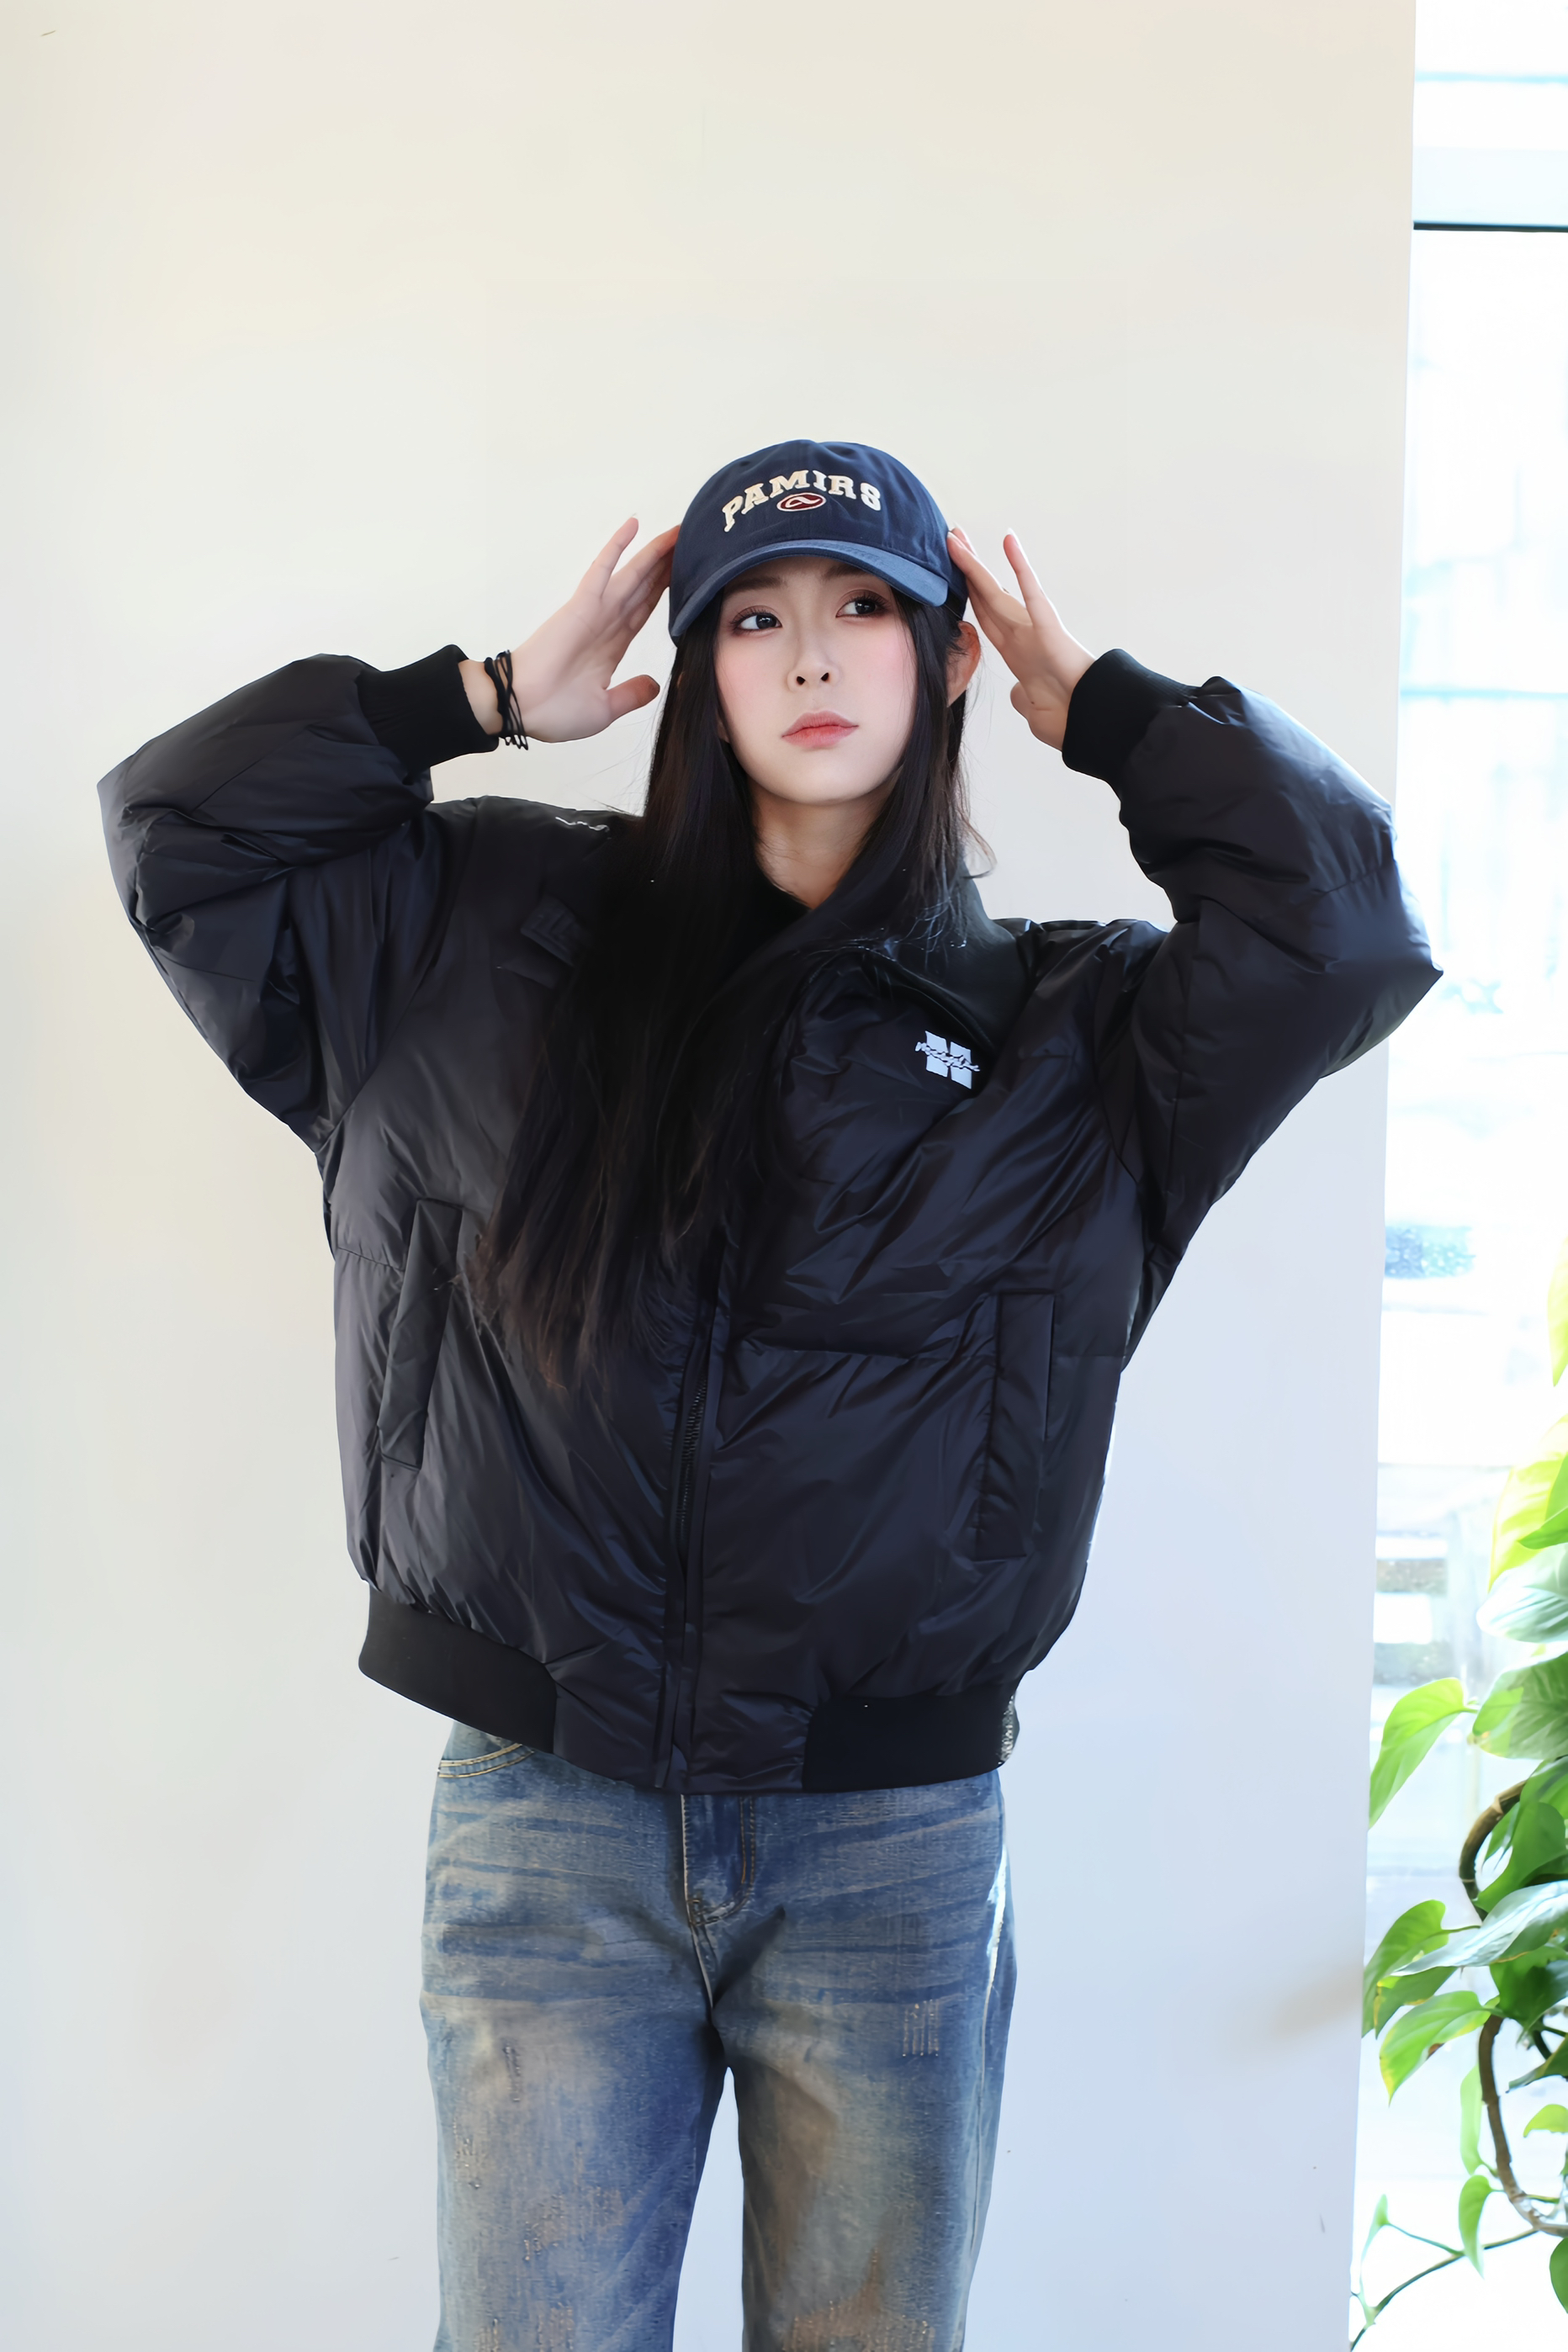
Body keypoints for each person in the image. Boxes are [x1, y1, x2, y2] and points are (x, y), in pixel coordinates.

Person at [99, 437, 1436, 2350]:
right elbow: (182, 827)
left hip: (890, 1848)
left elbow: (1347, 932)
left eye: (864, 607)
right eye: (754, 616)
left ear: (948, 657)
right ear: (697, 668)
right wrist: (478, 697)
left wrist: (1120, 717)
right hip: (546, 1815)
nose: (811, 654)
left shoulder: (1080, 1039)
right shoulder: (473, 933)